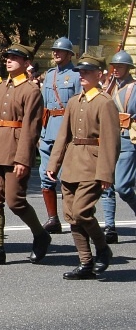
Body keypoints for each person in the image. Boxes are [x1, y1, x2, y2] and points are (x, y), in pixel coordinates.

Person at [0, 44, 51, 265]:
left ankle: (40, 234)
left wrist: (23, 159)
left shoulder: (31, 90)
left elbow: (31, 127)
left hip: (16, 150)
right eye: (7, 57)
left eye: (15, 58)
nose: (8, 61)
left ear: (26, 63)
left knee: (15, 201)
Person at [46, 54, 120, 280]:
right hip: (71, 163)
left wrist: (106, 172)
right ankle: (85, 262)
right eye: (81, 72)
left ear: (99, 75)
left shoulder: (104, 102)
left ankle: (103, 248)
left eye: (88, 72)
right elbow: (63, 136)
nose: (83, 76)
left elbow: (111, 140)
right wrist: (54, 163)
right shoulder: (75, 101)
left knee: (81, 212)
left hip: (92, 165)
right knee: (71, 216)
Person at [39, 37, 81, 234]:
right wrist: (41, 131)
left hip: (66, 132)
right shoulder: (49, 75)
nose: (55, 53)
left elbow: (81, 107)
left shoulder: (76, 76)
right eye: (54, 50)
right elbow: (44, 105)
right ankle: (52, 219)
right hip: (48, 131)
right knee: (45, 177)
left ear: (69, 54)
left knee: (66, 178)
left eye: (60, 51)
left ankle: (71, 217)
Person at [99, 50, 136, 244]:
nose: (116, 69)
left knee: (123, 187)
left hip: (126, 139)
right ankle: (110, 227)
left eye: (120, 66)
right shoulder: (108, 87)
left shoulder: (134, 88)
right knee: (106, 186)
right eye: (114, 66)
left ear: (129, 68)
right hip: (108, 139)